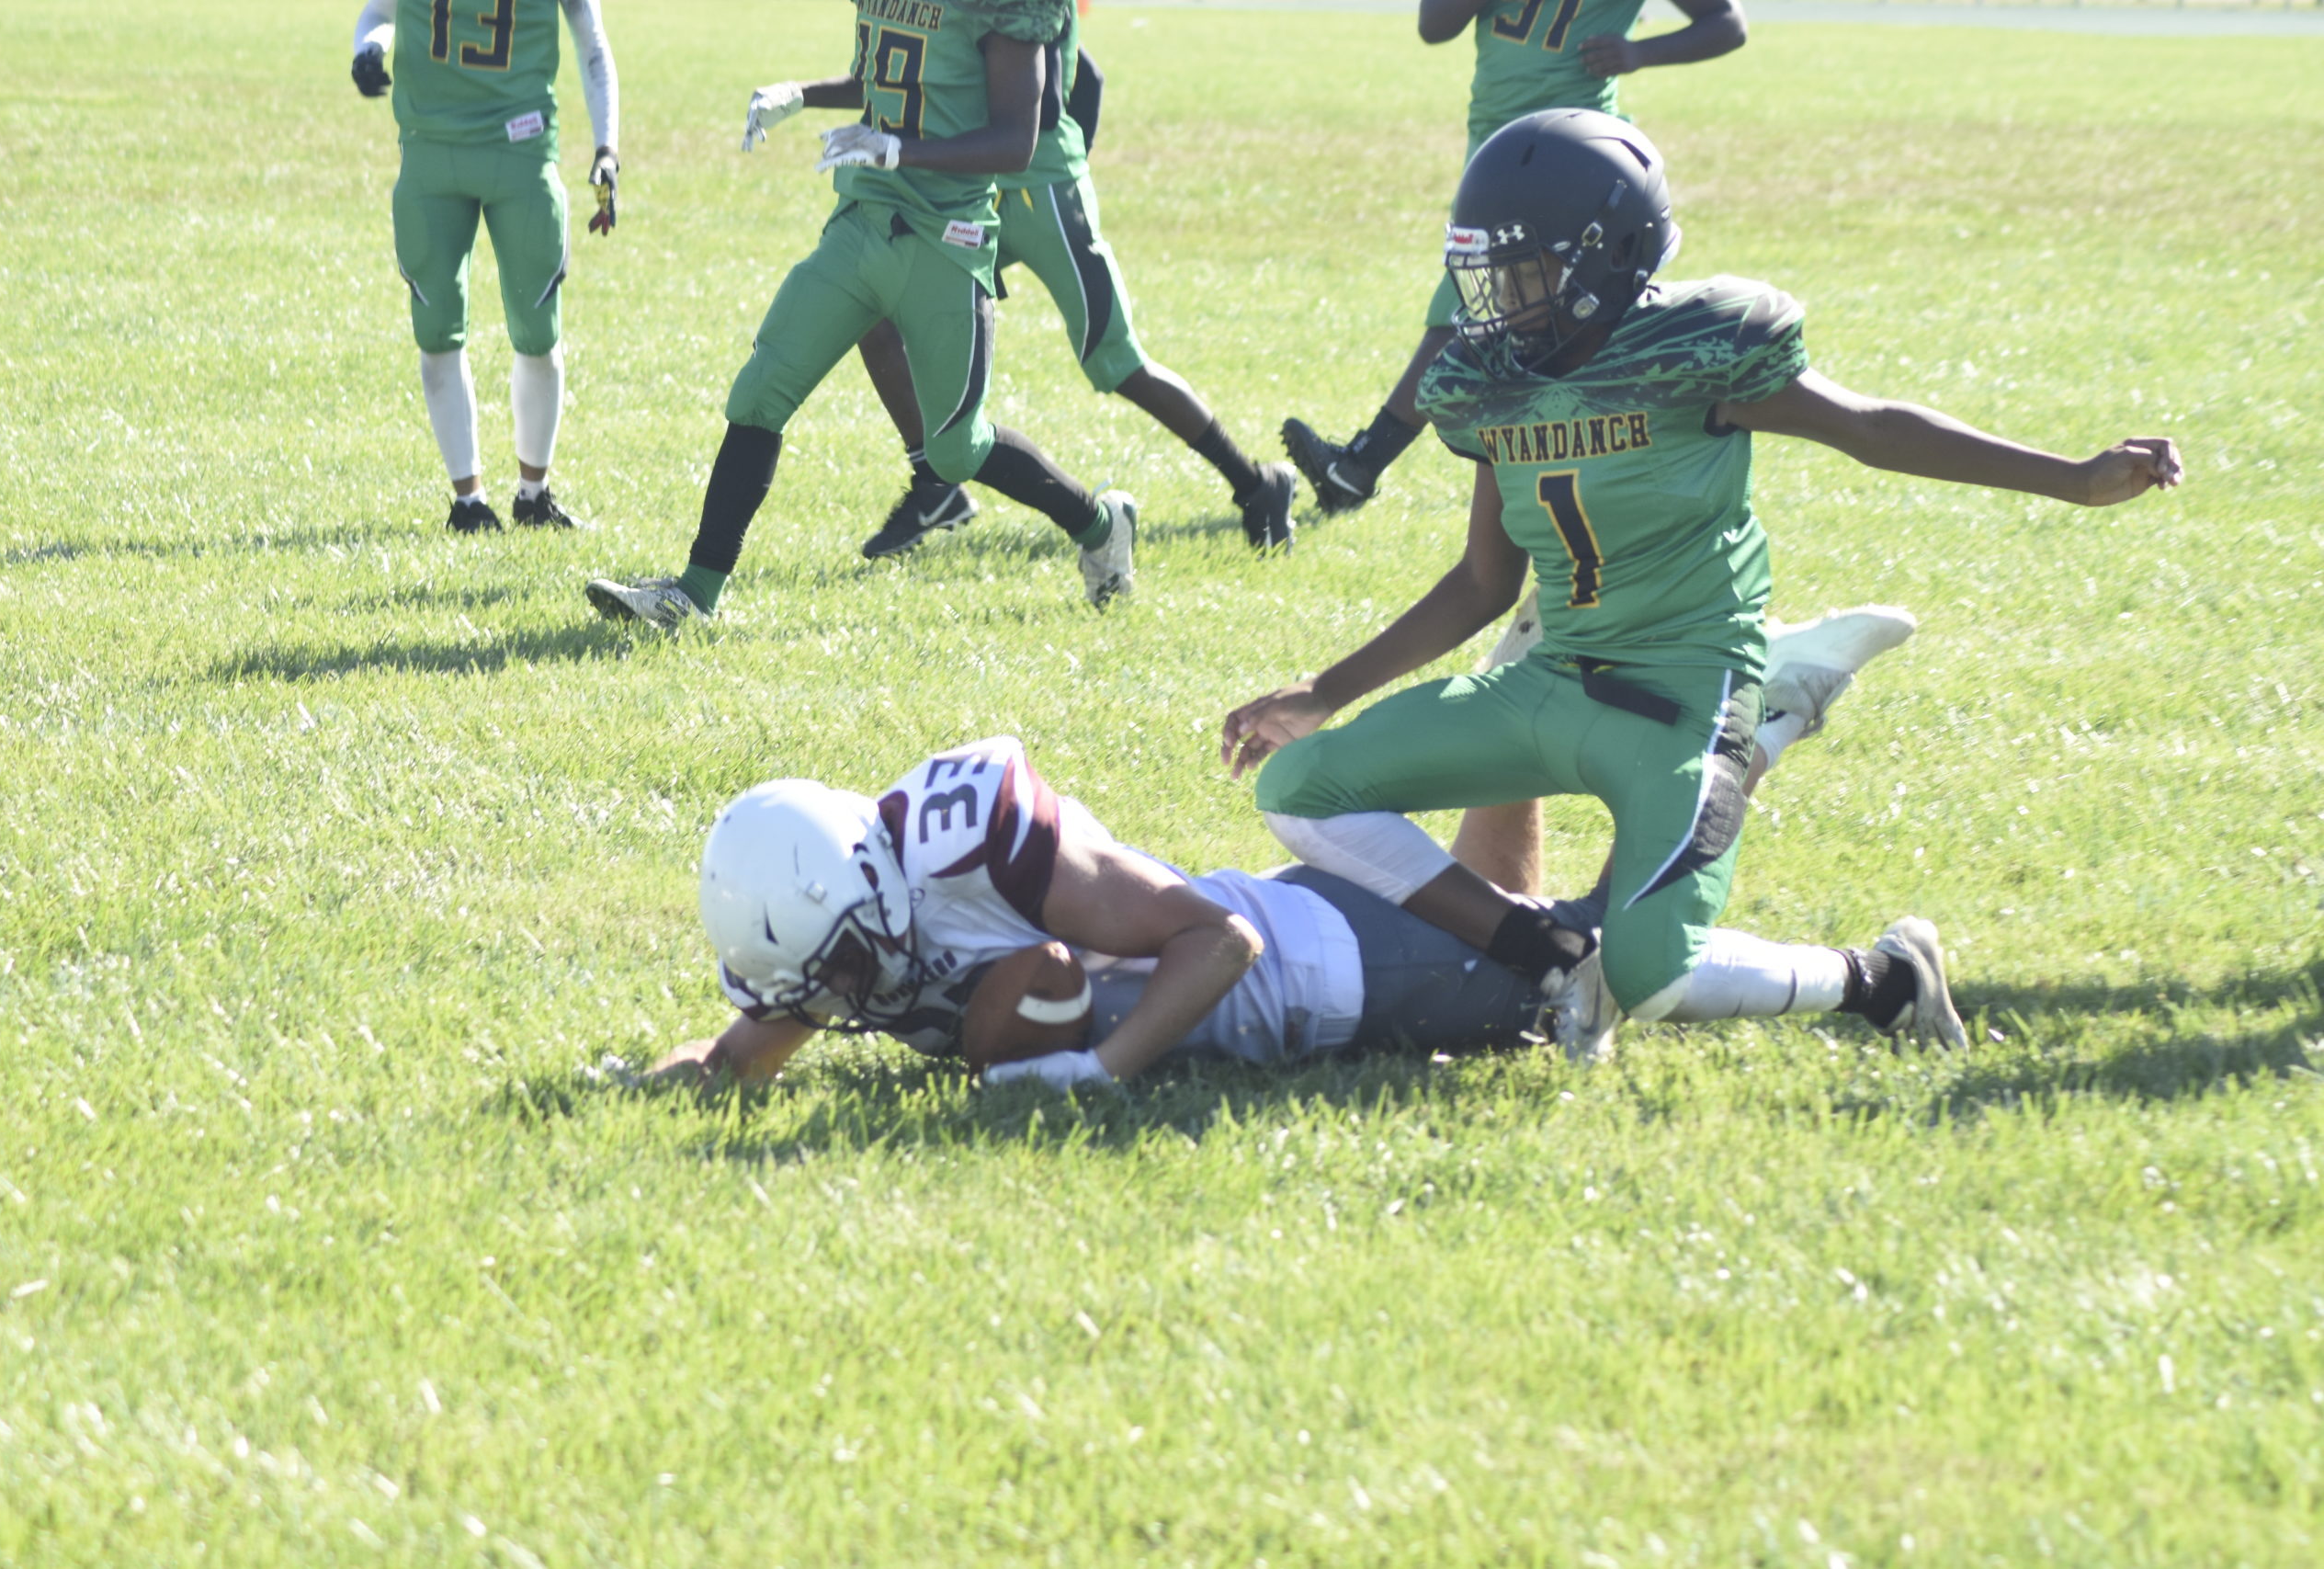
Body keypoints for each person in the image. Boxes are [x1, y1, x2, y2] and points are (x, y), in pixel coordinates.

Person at [1224, 109, 2182, 1061]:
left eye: (1527, 275)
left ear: (1609, 259)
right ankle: (1556, 958)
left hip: (1683, 697)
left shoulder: (1695, 352)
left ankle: (1884, 977)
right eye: (1492, 275)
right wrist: (1323, 692)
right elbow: (1484, 581)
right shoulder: (1490, 379)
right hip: (1551, 683)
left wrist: (2070, 477)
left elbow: (1871, 427)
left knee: (1658, 977)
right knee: (1301, 788)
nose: (1502, 303)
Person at [584, 0, 1139, 630]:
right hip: (863, 221)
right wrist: (800, 94)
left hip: (945, 239)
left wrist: (898, 150)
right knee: (761, 394)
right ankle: (694, 594)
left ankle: (1100, 525)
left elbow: (1016, 141)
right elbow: (890, 82)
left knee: (956, 449)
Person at [647, 735, 1593, 1095]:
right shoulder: (841, 924)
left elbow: (1223, 942)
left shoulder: (977, 843)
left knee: (1605, 968)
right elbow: (735, 1057)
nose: (839, 1005)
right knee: (1502, 910)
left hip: (1316, 977)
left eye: (843, 973)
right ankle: (1516, 720)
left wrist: (1095, 1071)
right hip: (1308, 941)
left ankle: (1731, 744)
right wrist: (647, 1081)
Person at [842, 15, 1298, 559]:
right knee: (875, 309)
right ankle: (935, 483)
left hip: (1042, 195)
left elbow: (1079, 79)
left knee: (1116, 360)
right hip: (967, 190)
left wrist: (1066, 169)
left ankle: (1255, 484)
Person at [1283, 0, 1746, 517]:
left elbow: (1726, 23)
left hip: (1574, 148)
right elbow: (1434, 26)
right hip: (1494, 142)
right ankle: (1593, 449)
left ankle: (1363, 464)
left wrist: (1639, 53)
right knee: (1519, 310)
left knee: (1510, 308)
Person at [350, 0, 619, 533]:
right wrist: (368, 49)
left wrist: (608, 147)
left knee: (539, 331)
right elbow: (377, 11)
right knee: (436, 331)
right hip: (431, 151)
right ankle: (468, 501)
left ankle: (533, 495)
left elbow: (593, 44)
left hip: (520, 153)